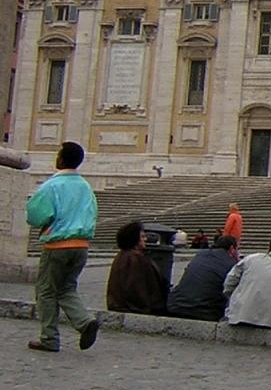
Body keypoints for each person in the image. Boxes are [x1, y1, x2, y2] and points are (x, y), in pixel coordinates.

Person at [25, 141, 100, 352]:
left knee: (46, 291)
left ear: (60, 159)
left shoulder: (51, 186)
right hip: (81, 246)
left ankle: (49, 338)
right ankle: (85, 321)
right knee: (67, 287)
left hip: (57, 245)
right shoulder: (86, 187)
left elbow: (37, 215)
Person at [168, 236, 238, 321]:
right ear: (232, 249)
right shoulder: (232, 264)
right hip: (205, 312)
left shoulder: (201, 254)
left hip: (176, 305)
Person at [106, 220, 168, 315]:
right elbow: (138, 290)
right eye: (142, 237)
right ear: (134, 239)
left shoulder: (122, 255)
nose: (145, 239)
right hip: (135, 309)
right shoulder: (135, 258)